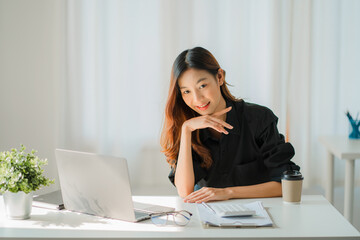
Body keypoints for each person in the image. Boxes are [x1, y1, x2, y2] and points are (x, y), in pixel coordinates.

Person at [160, 47, 300, 203]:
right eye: (186, 91)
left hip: (261, 214)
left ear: (219, 77)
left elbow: (286, 185)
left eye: (202, 86)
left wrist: (228, 192)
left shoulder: (259, 119)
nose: (197, 99)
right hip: (210, 216)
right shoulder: (188, 126)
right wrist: (186, 130)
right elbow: (185, 191)